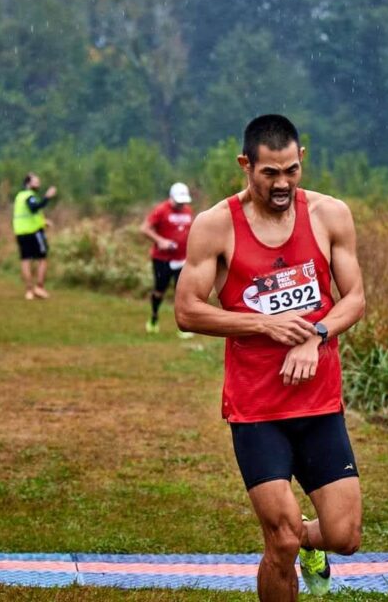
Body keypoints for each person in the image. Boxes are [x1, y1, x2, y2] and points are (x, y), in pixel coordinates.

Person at [175, 115, 366, 600]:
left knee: (345, 536)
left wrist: (314, 334)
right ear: (246, 165)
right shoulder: (215, 225)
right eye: (269, 174)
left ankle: (312, 542)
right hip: (257, 408)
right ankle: (291, 542)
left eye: (291, 171)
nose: (282, 184)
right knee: (279, 541)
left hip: (320, 403)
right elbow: (187, 310)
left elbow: (355, 299)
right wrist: (263, 323)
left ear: (302, 161)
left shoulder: (329, 214)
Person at [141, 182, 194, 336]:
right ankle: (154, 317)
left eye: (183, 201)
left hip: (183, 259)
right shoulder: (161, 210)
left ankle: (184, 327)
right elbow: (144, 228)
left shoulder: (188, 211)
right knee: (159, 291)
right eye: (178, 201)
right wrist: (160, 241)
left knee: (182, 293)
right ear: (171, 198)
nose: (181, 204)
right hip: (162, 260)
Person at [12, 173, 57, 300]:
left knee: (25, 260)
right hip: (34, 232)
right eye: (35, 181)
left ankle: (29, 291)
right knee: (42, 258)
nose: (38, 184)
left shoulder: (19, 196)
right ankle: (39, 287)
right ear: (28, 183)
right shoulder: (29, 196)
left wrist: (44, 221)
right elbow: (34, 208)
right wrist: (47, 197)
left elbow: (28, 215)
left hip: (20, 232)